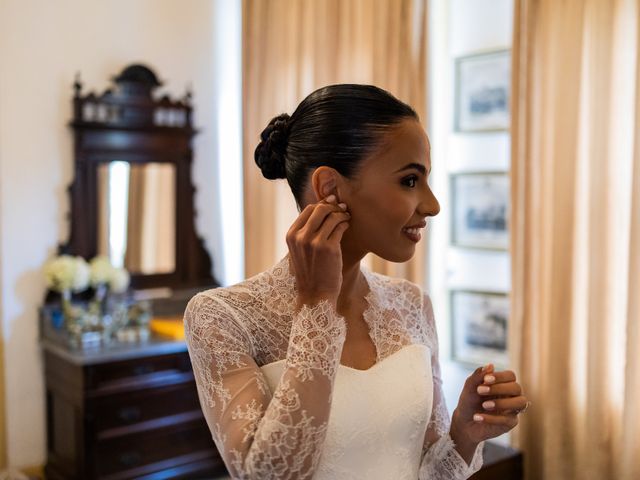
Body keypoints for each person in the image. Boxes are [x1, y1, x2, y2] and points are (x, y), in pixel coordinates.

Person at [184, 84, 529, 479]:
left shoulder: (411, 304)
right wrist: (316, 304)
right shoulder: (221, 317)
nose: (432, 205)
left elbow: (427, 472)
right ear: (330, 188)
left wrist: (465, 435)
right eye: (410, 181)